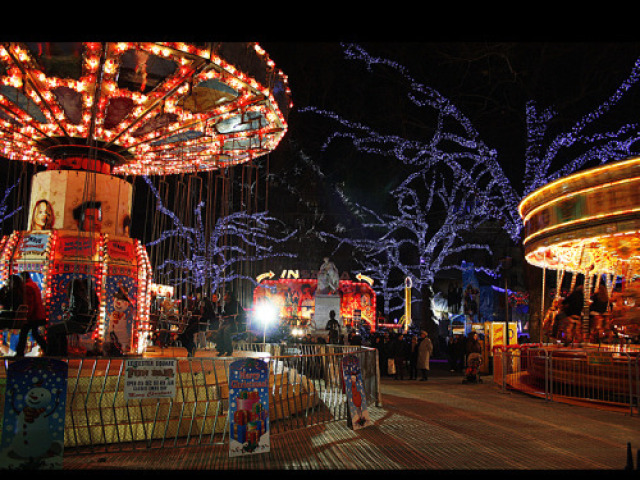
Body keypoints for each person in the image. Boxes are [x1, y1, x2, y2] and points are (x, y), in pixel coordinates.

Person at [47, 278, 97, 356]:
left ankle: (51, 353)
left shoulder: (76, 296)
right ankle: (61, 353)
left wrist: (65, 308)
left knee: (51, 330)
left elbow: (74, 311)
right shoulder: (84, 297)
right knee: (60, 332)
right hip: (82, 324)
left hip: (76, 324)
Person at [15, 272, 47, 357]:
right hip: (38, 314)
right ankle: (47, 349)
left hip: (33, 315)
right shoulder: (33, 285)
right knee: (34, 333)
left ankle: (20, 353)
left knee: (24, 332)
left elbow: (29, 303)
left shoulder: (27, 287)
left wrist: (27, 316)